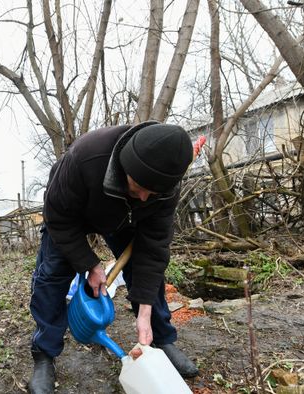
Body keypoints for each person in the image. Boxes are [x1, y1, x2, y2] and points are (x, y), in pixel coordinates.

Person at [28, 121, 199, 393]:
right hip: (73, 214)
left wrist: (144, 311)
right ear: (124, 166)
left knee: (146, 272)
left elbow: (153, 250)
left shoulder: (166, 185)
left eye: (152, 193)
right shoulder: (86, 157)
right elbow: (59, 220)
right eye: (138, 187)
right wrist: (89, 264)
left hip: (126, 219)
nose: (144, 197)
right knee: (52, 274)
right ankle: (44, 355)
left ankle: (161, 339)